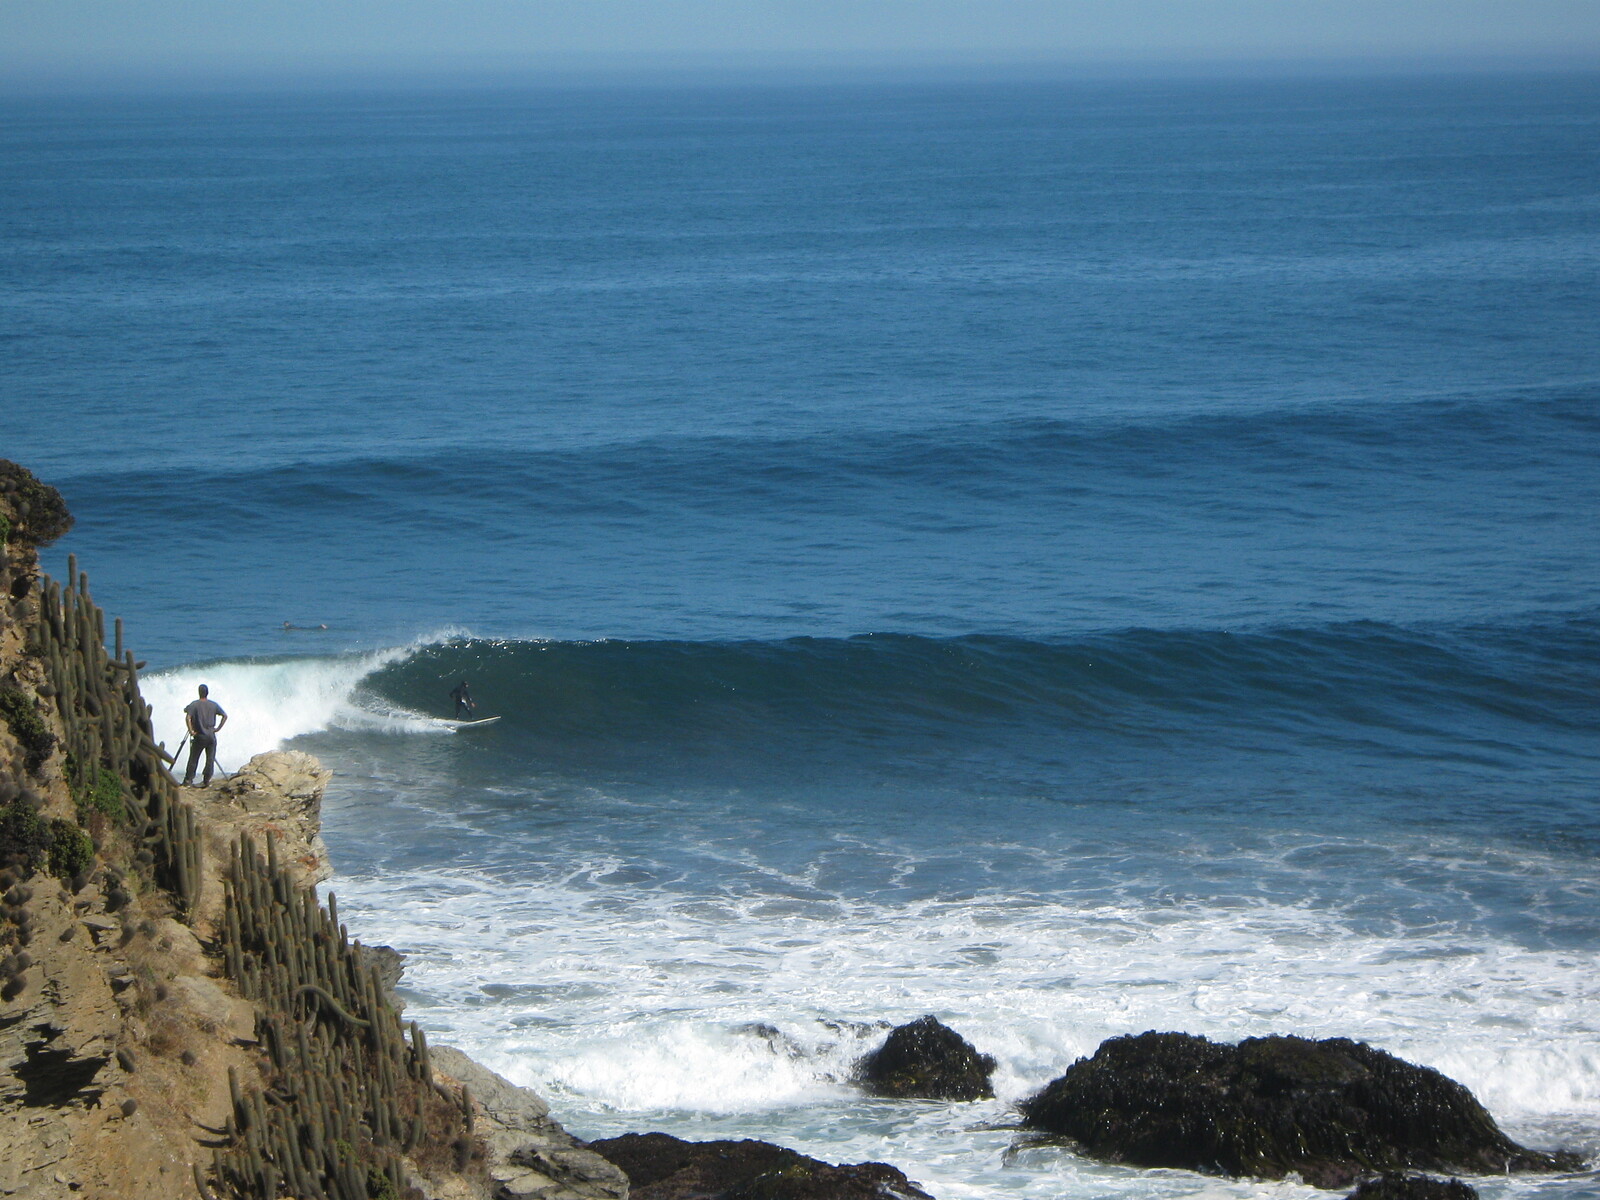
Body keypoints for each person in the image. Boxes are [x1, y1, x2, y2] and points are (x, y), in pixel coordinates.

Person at [182, 683, 228, 787]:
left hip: (200, 736)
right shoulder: (213, 704)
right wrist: (218, 728)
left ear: (199, 692)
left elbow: (188, 717)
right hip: (211, 736)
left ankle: (188, 780)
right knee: (210, 759)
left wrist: (191, 730)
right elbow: (225, 716)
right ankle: (206, 780)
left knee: (194, 758)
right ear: (207, 693)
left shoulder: (194, 704)